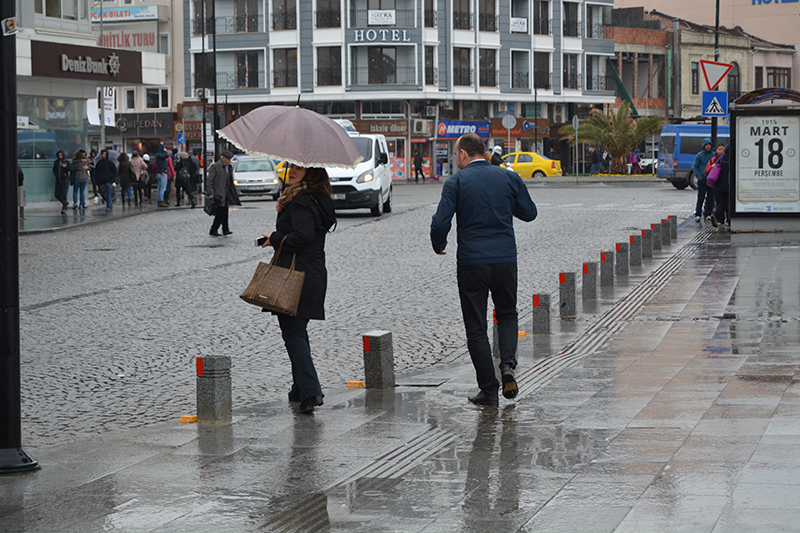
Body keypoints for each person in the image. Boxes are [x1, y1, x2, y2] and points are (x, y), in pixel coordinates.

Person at [430, 132, 538, 406]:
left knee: (476, 327)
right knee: (507, 313)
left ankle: (489, 389)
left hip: (471, 263)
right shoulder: (507, 177)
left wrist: (438, 243)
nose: (456, 159)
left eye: (456, 154)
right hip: (504, 260)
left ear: (464, 154)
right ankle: (507, 366)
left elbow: (441, 222)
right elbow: (529, 212)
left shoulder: (456, 182)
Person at [259, 164, 337, 415]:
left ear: (311, 173)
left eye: (299, 168)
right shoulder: (313, 197)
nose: (292, 171)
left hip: (297, 275)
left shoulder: (302, 200)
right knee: (297, 329)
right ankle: (298, 388)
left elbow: (303, 236)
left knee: (293, 330)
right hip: (311, 272)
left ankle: (311, 391)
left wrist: (275, 238)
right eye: (291, 166)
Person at [205, 150, 240, 236]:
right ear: (223, 158)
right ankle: (213, 229)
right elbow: (210, 181)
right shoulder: (215, 166)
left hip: (226, 193)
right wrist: (211, 193)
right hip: (218, 194)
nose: (229, 161)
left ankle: (225, 229)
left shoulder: (230, 167)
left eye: (230, 159)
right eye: (227, 159)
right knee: (220, 213)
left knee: (225, 212)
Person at [692, 138, 716, 222]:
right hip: (702, 180)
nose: (708, 146)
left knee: (711, 198)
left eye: (709, 144)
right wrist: (700, 177)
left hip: (711, 180)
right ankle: (698, 214)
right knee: (700, 197)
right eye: (706, 144)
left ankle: (708, 214)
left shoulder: (714, 155)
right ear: (703, 146)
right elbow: (695, 166)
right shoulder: (699, 155)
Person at [710, 144, 730, 229]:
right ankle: (718, 216)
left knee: (723, 202)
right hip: (728, 185)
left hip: (719, 185)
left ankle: (717, 216)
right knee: (727, 203)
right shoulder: (732, 158)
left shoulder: (721, 157)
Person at [52, 149, 73, 214]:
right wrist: (56, 175)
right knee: (57, 194)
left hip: (64, 180)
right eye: (59, 155)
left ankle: (64, 207)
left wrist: (66, 167)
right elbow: (54, 170)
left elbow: (72, 169)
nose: (60, 156)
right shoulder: (56, 162)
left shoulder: (66, 162)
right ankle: (65, 203)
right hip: (58, 180)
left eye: (61, 155)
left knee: (64, 193)